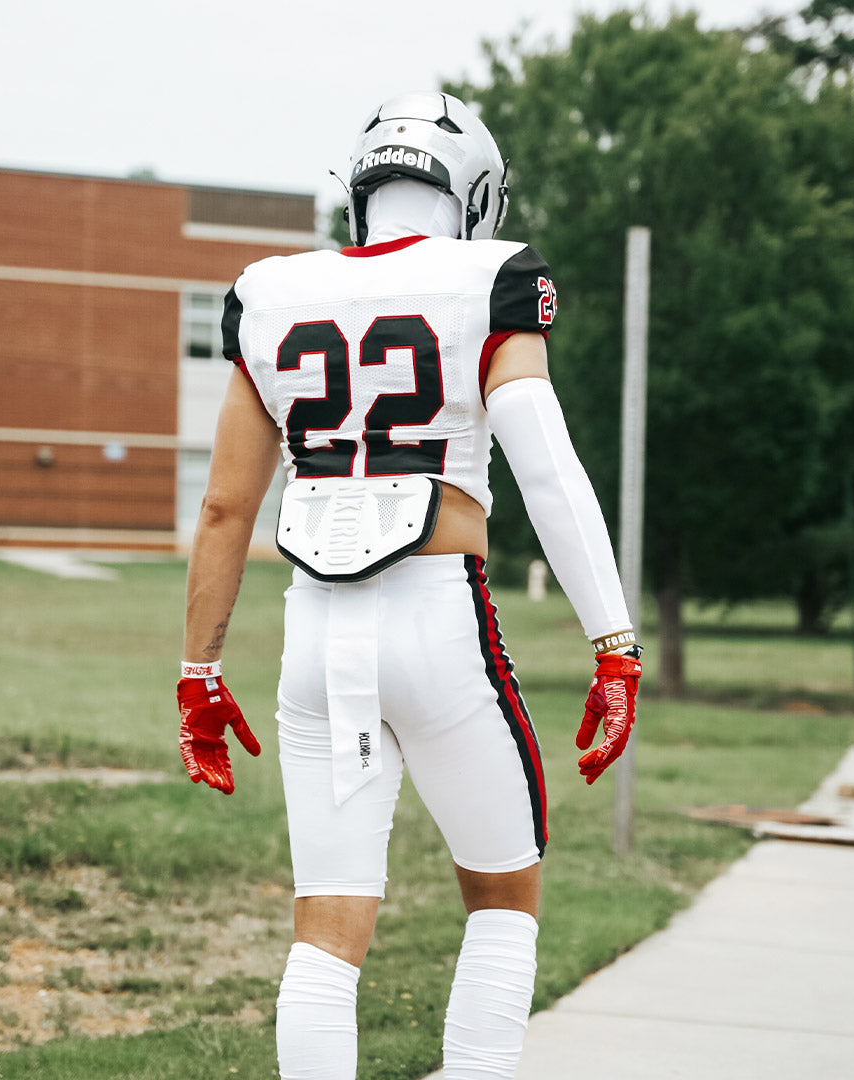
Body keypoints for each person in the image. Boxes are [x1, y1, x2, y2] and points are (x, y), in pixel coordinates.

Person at [176, 91, 642, 1080]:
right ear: (473, 190)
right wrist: (614, 644)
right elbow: (545, 466)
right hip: (440, 618)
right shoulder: (493, 276)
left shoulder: (269, 289)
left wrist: (197, 673)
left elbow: (224, 508)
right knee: (504, 903)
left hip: (313, 637)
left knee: (327, 930)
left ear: (360, 187)